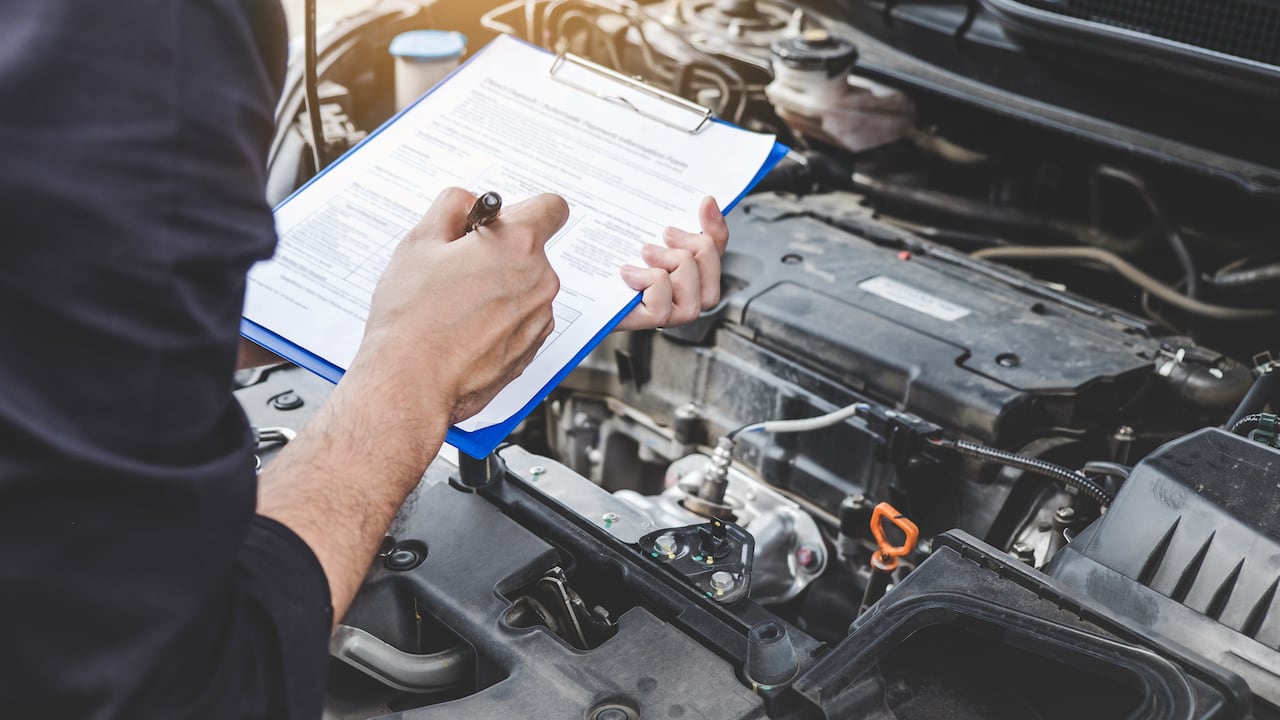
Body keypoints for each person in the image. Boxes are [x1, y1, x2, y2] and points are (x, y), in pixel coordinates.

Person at [0, 2, 728, 718]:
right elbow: (167, 686)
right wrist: (417, 361)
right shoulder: (134, 25)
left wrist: (522, 311)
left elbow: (56, 311)